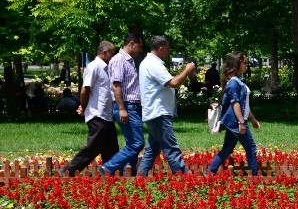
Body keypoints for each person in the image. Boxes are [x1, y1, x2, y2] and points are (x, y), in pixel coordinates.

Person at [137, 36, 196, 175]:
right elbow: (173, 83)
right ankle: (184, 177)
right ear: (161, 48)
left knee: (153, 148)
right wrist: (187, 70)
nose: (168, 53)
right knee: (171, 147)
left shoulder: (149, 62)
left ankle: (141, 176)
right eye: (167, 50)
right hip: (158, 113)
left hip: (154, 112)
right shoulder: (153, 64)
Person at [60, 41, 118, 177]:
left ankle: (112, 174)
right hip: (97, 113)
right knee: (93, 147)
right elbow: (85, 89)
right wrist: (84, 106)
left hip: (106, 114)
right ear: (104, 53)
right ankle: (68, 171)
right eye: (112, 53)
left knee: (111, 146)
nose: (113, 57)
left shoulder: (106, 68)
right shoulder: (94, 67)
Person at [99, 28, 144, 176]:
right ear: (131, 43)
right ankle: (108, 168)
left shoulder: (129, 61)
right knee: (137, 143)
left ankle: (131, 170)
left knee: (132, 142)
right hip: (127, 106)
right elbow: (116, 85)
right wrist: (122, 108)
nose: (140, 50)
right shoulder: (119, 60)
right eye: (140, 46)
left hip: (131, 106)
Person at [208, 51, 261, 176]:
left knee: (227, 149)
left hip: (234, 121)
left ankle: (210, 172)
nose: (246, 65)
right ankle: (255, 177)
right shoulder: (234, 82)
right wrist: (241, 122)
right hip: (235, 122)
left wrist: (253, 119)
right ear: (237, 63)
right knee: (251, 148)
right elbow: (235, 103)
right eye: (245, 62)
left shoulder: (237, 81)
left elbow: (244, 104)